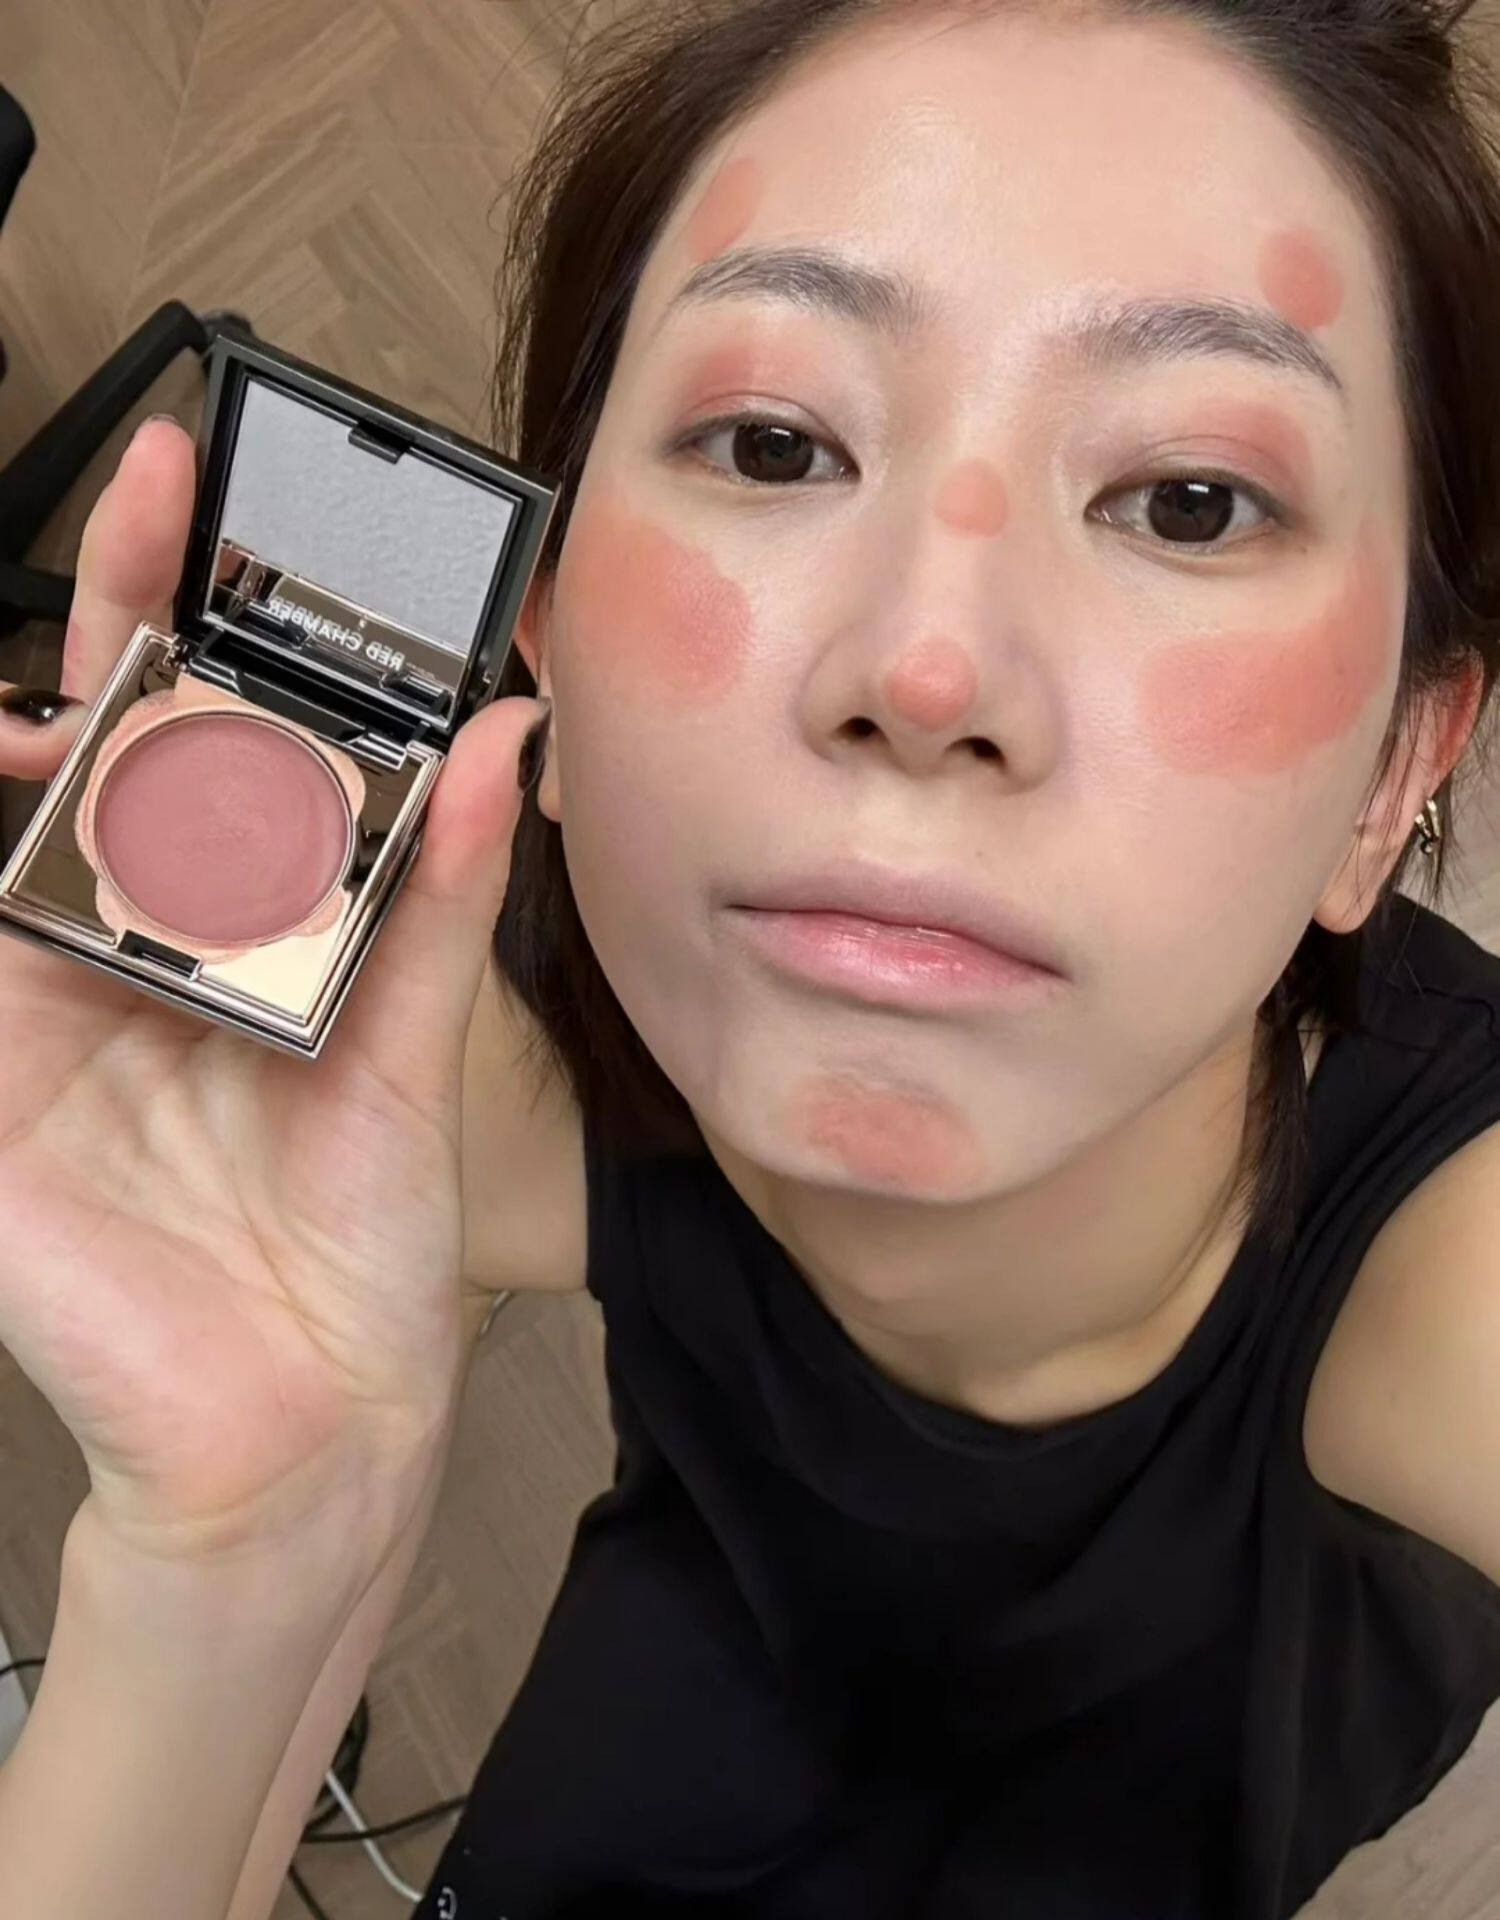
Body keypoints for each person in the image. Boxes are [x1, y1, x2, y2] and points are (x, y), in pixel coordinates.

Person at [2, 0, 1500, 1914]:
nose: (926, 668)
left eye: (1188, 501)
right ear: (545, 637)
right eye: (777, 443)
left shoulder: (1449, 1268)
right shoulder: (435, 1079)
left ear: (1396, 771)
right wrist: (226, 1553)